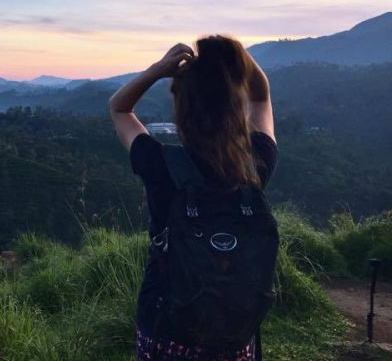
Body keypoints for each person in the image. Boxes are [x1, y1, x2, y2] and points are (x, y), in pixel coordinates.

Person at [109, 36, 278, 361]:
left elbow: (119, 108)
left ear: (181, 113)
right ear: (234, 108)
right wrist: (238, 58)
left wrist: (158, 70)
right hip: (234, 338)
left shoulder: (161, 166)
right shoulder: (255, 165)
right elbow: (261, 97)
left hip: (167, 337)